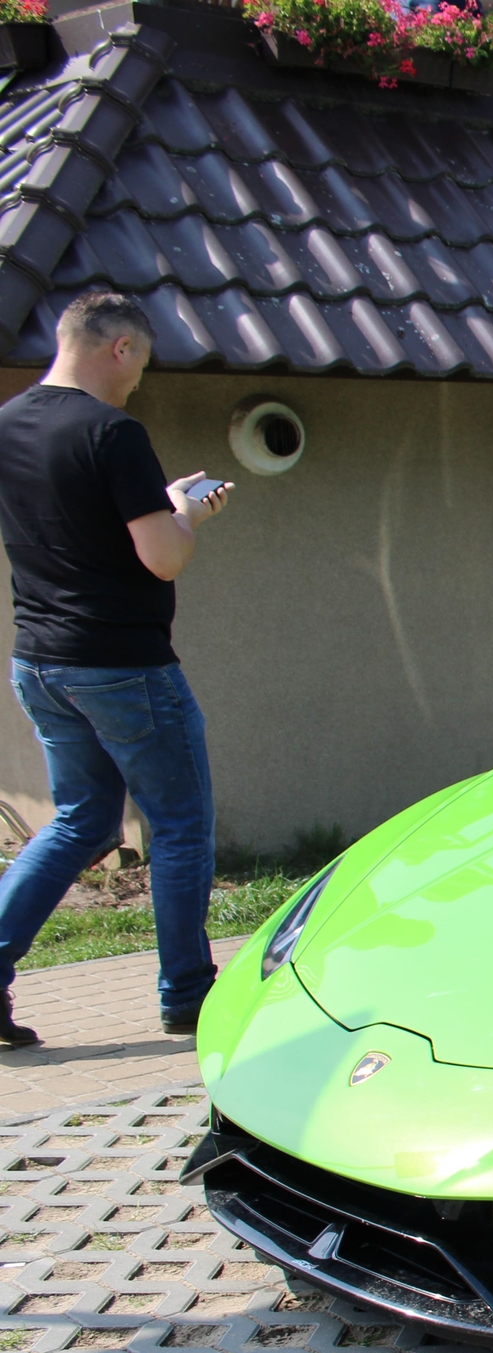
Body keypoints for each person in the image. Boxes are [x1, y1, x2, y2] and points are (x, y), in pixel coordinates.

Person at [0, 291, 230, 1046]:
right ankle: (190, 994)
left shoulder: (8, 423)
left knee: (82, 819)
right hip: (123, 666)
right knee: (180, 823)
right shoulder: (113, 432)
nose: (137, 383)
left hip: (39, 660)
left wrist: (154, 507)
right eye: (140, 365)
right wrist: (187, 516)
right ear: (119, 349)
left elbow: (73, 525)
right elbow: (161, 557)